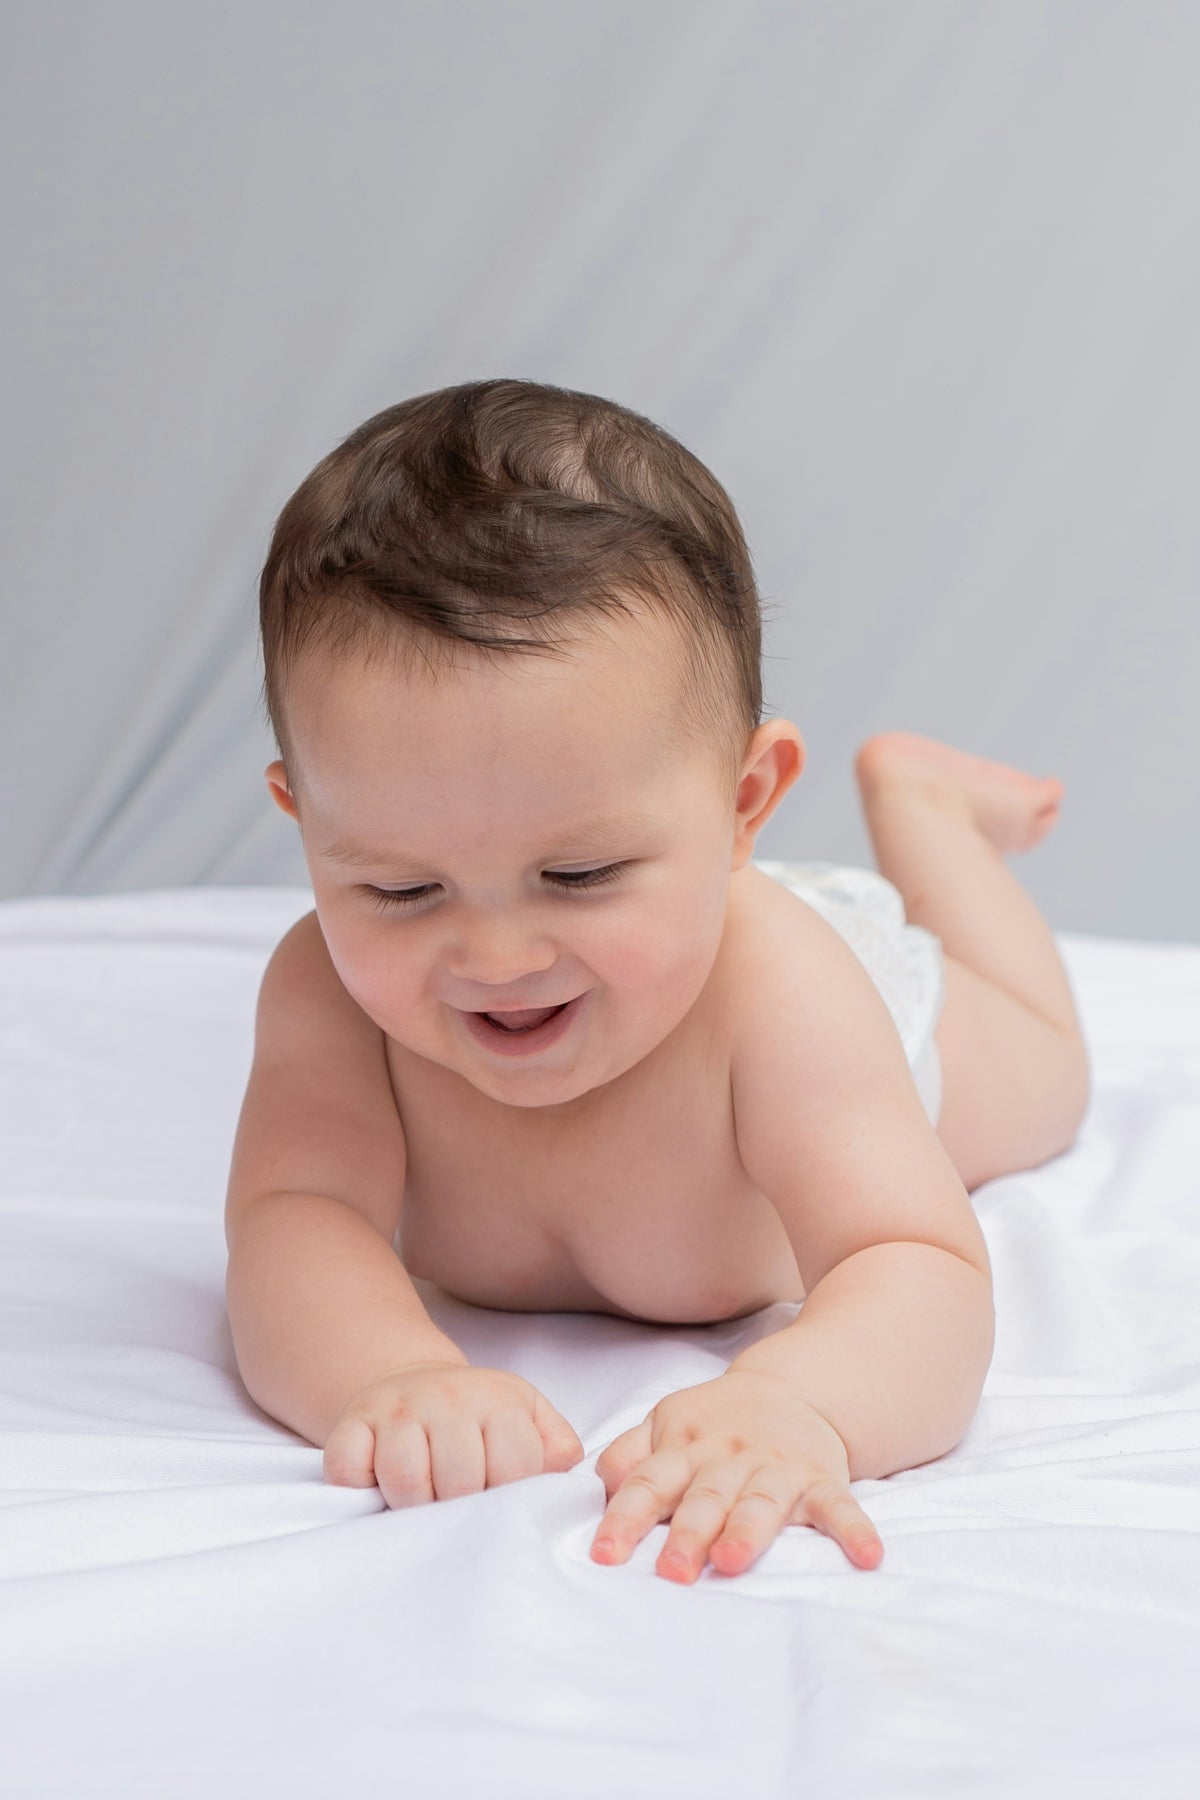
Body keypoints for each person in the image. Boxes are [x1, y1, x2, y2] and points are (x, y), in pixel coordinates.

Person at [224, 378, 1090, 1584]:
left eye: (576, 873)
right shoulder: (329, 996)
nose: (495, 957)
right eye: (401, 891)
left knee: (1046, 1075)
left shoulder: (781, 990)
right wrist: (389, 1372)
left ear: (744, 807)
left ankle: (928, 810)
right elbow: (289, 1222)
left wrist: (801, 1400)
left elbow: (920, 1263)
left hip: (851, 1001)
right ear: (305, 821)